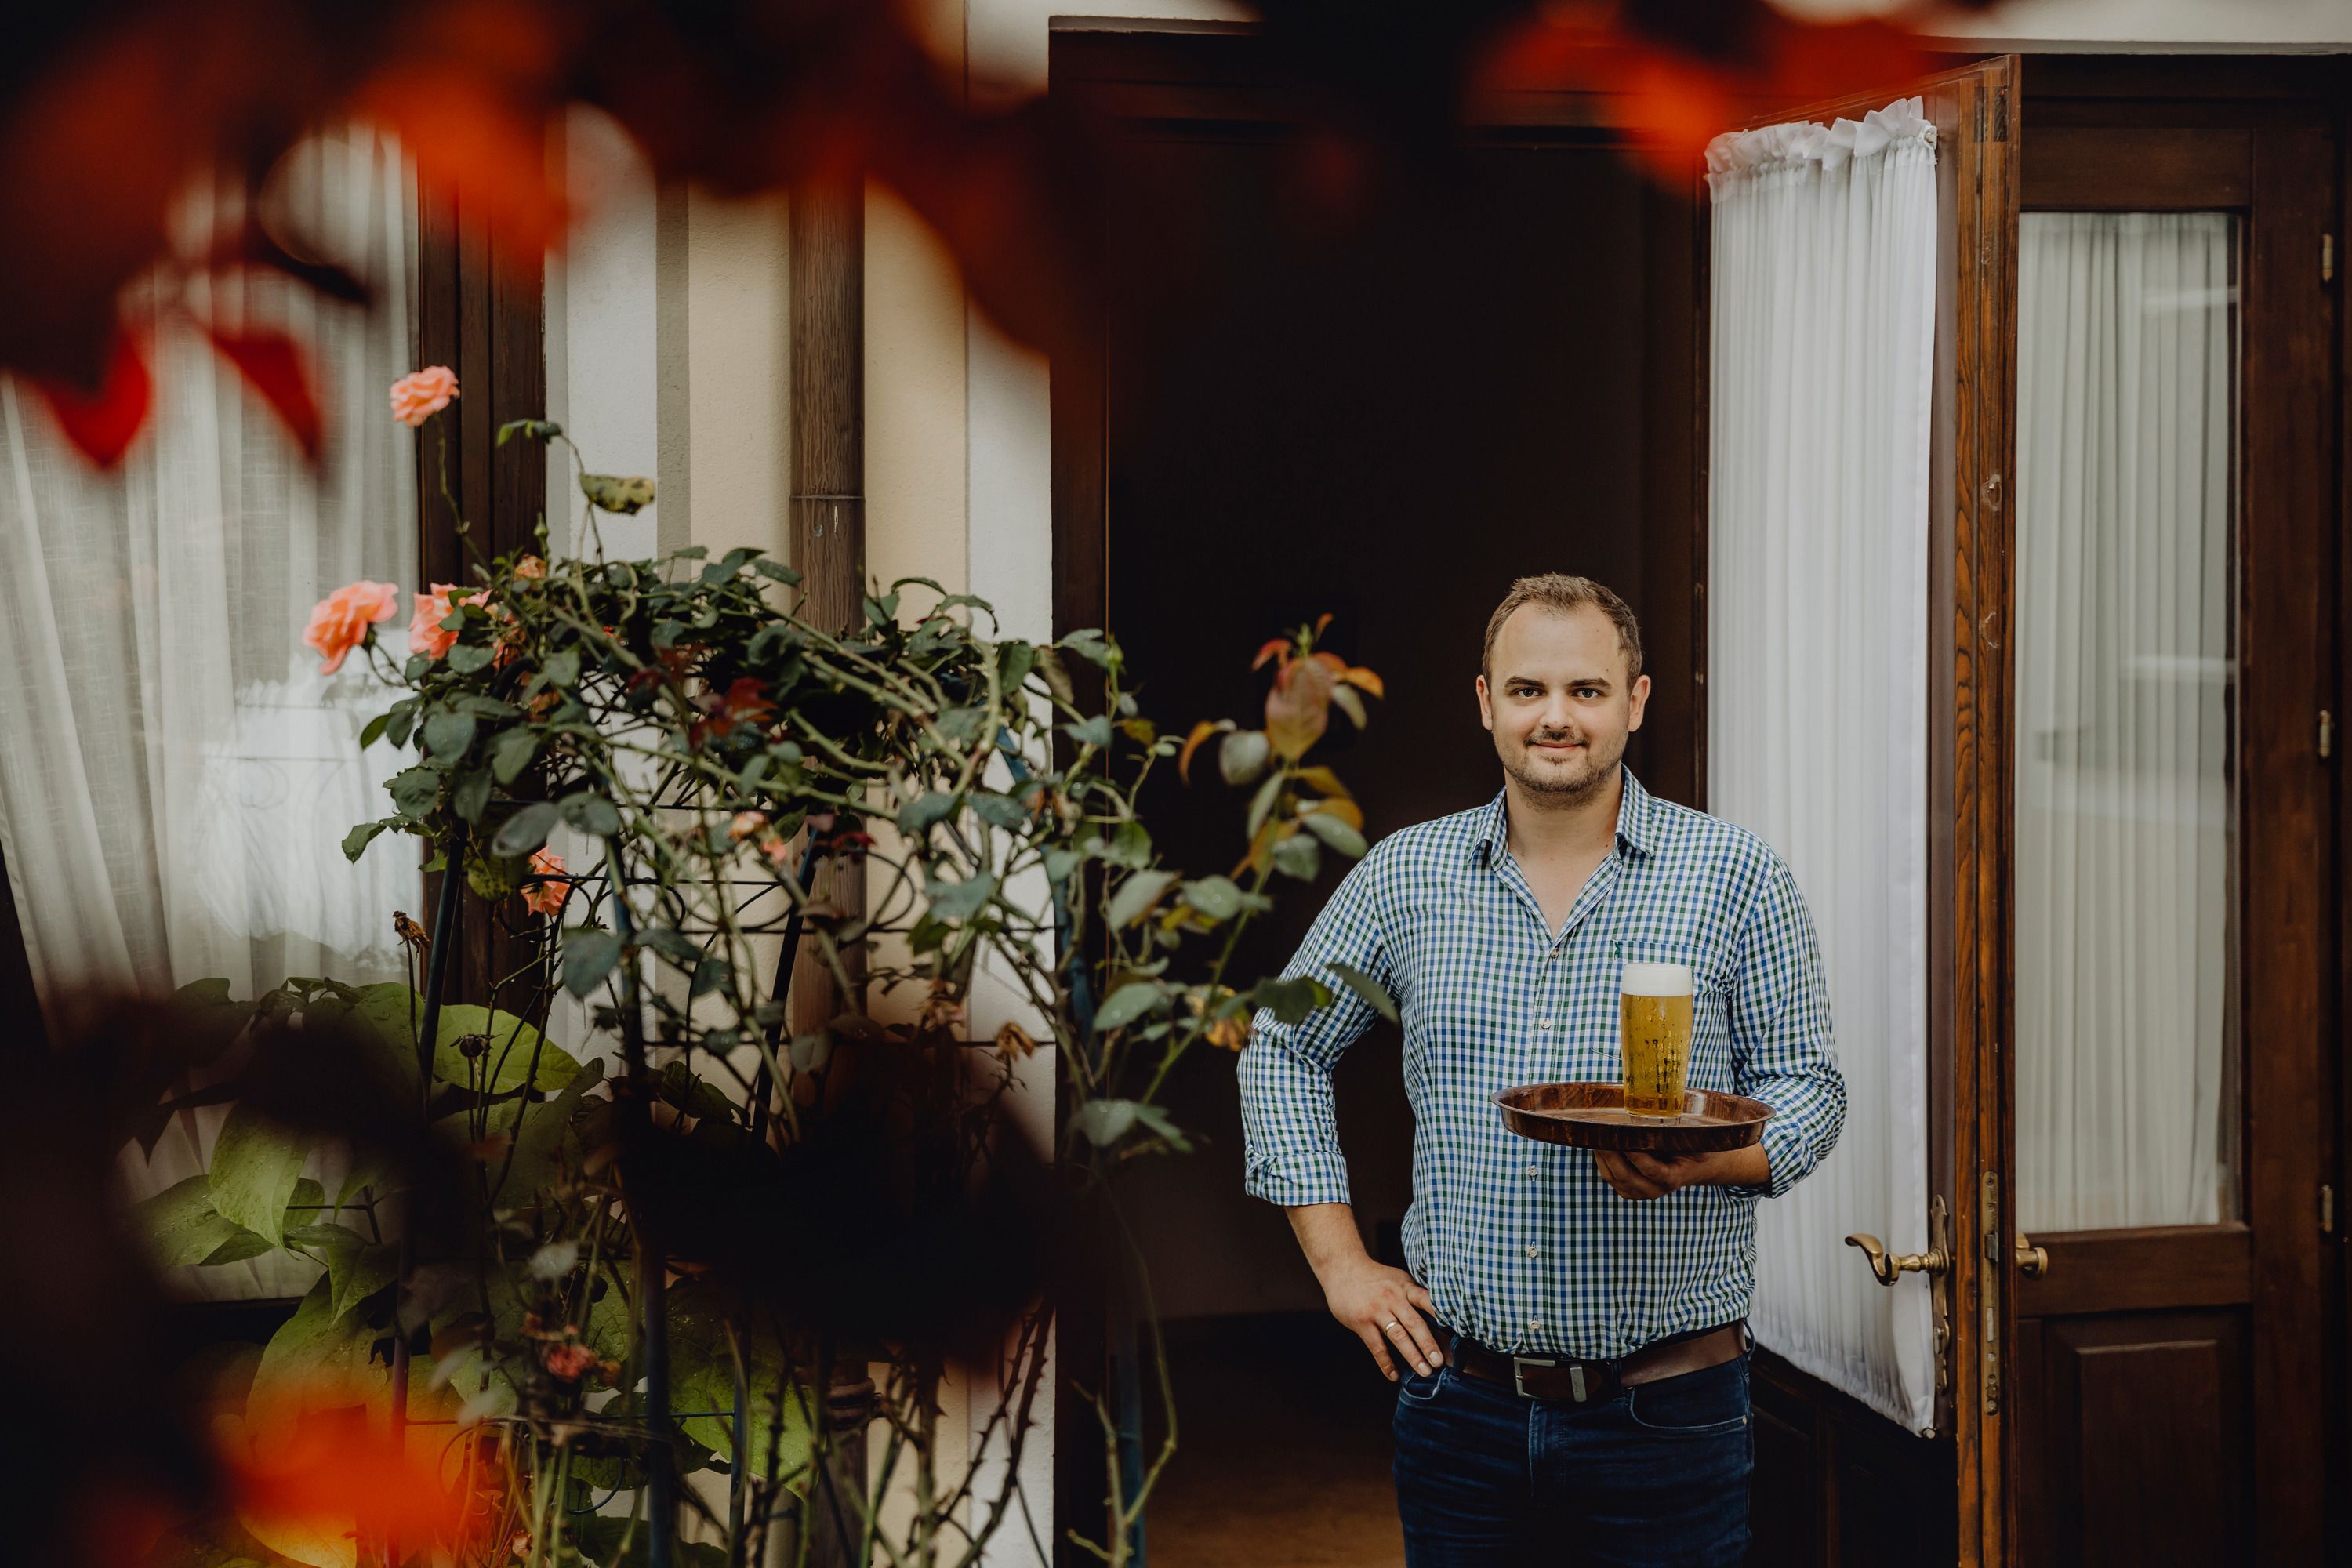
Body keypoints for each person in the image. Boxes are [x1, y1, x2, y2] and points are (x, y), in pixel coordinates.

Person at [1237, 573, 1846, 1566]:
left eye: (1586, 690)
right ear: (1485, 702)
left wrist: (1708, 1160)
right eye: (1527, 691)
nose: (1555, 717)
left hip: (1670, 1413)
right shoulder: (1407, 874)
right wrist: (1341, 1264)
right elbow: (1282, 1041)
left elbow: (1811, 1088)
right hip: (1459, 1410)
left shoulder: (1736, 875)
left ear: (1635, 701)